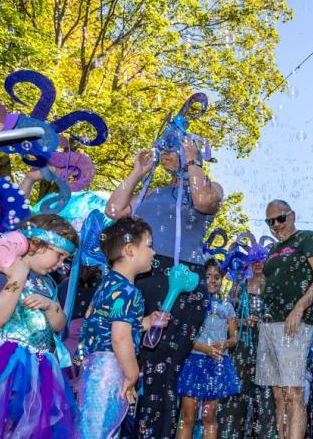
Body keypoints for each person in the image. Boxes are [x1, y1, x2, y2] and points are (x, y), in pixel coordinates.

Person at [106, 138, 223, 437]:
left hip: (182, 281)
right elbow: (114, 210)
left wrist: (192, 160)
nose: (169, 153)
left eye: (177, 147)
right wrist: (137, 172)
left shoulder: (208, 188)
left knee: (163, 372)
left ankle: (154, 433)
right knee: (128, 360)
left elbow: (204, 202)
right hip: (145, 276)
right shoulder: (152, 193)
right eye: (166, 148)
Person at [0, 214, 78, 437]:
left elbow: (60, 326)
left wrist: (51, 306)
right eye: (59, 255)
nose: (61, 264)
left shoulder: (49, 283)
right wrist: (18, 278)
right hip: (2, 365)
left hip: (40, 370)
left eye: (66, 259)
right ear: (34, 243)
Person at [77, 217, 169, 438]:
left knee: (90, 429)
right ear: (129, 250)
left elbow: (104, 323)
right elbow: (120, 338)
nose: (154, 252)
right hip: (111, 369)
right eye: (149, 245)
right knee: (103, 431)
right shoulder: (129, 291)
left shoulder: (107, 284)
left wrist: (146, 322)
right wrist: (132, 374)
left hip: (93, 369)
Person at [255, 199, 313, 439]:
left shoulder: (308, 238)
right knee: (277, 393)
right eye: (270, 221)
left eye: (280, 218)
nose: (275, 225)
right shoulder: (273, 251)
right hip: (269, 324)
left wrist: (298, 309)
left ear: (292, 215)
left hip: (293, 323)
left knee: (292, 391)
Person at [216, 232, 279, 439]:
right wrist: (244, 322)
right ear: (248, 263)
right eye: (254, 260)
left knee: (267, 397)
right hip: (242, 346)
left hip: (268, 348)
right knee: (235, 396)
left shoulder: (273, 288)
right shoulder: (238, 288)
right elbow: (226, 318)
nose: (258, 264)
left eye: (262, 260)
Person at [177, 258, 240, 439]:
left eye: (217, 277)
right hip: (194, 361)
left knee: (209, 416)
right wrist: (205, 349)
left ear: (222, 280)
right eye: (208, 276)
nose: (212, 281)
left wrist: (226, 344)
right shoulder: (192, 301)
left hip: (217, 363)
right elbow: (184, 336)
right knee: (188, 417)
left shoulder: (227, 307)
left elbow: (235, 337)